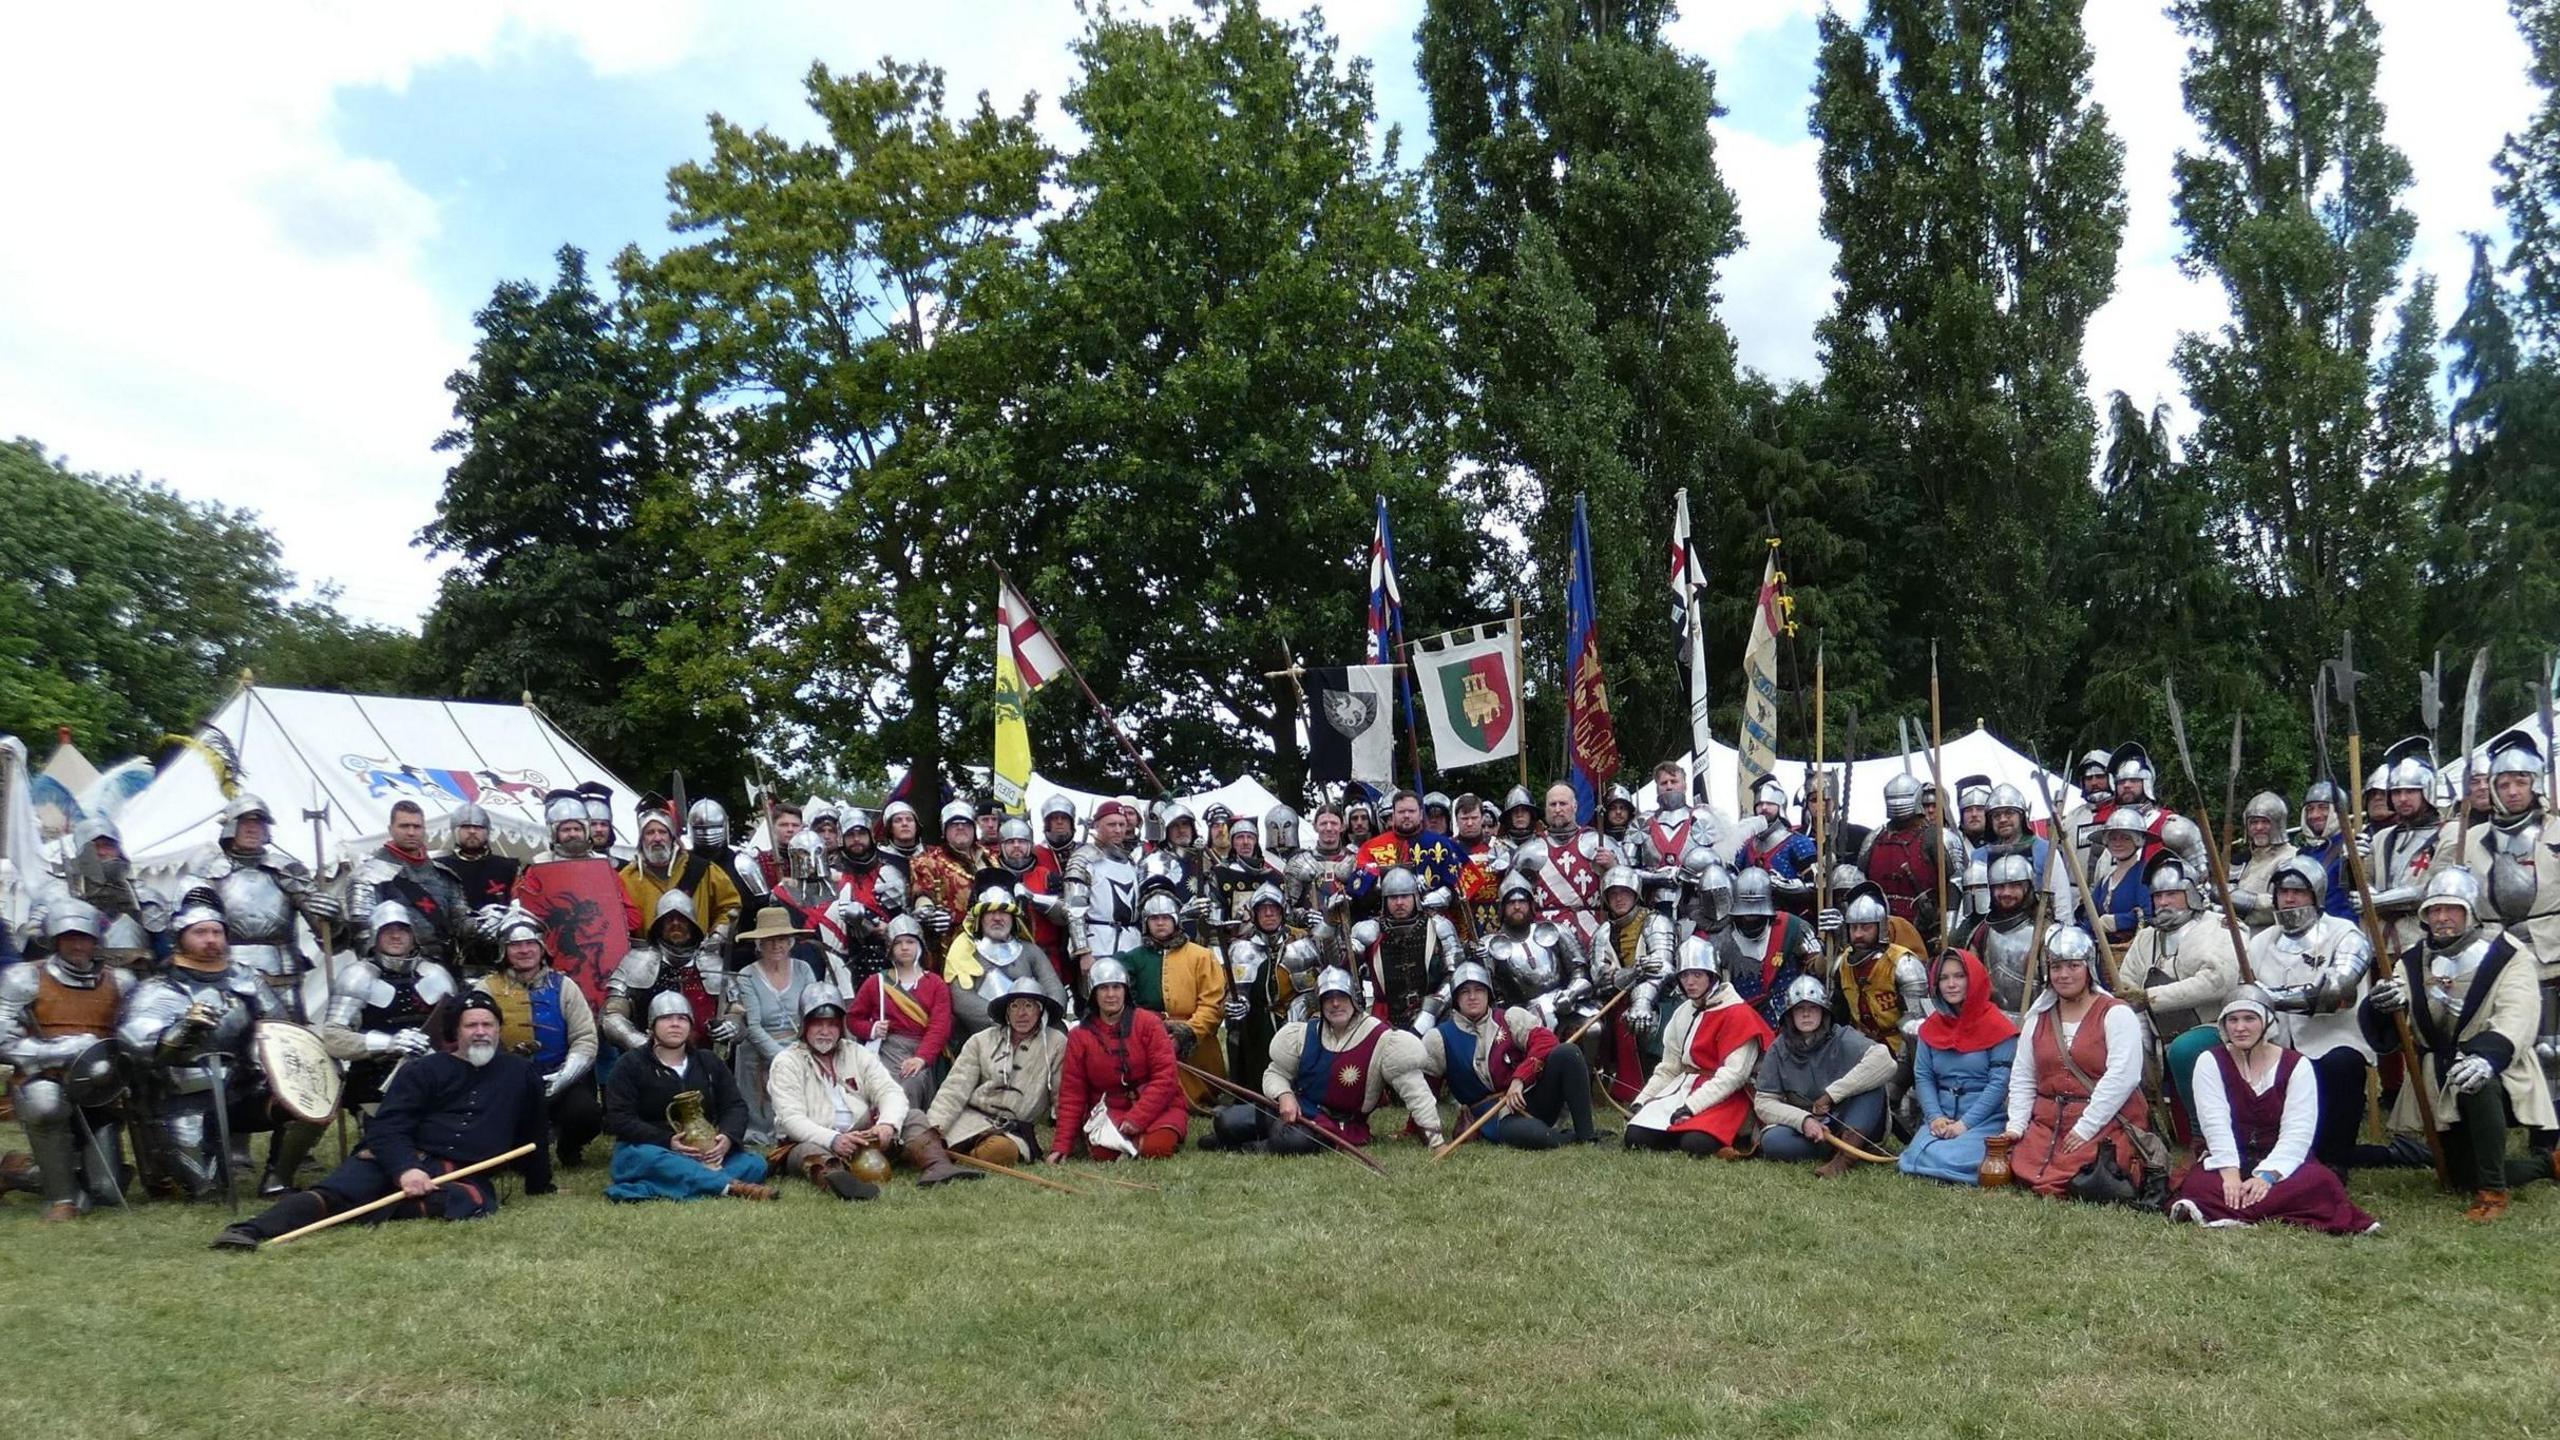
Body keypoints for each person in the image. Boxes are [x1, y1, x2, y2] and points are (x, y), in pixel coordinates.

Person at [212, 991, 555, 1249]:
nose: (481, 1032)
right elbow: (389, 1126)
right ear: (456, 1032)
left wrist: (540, 1185)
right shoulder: (424, 1070)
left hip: (458, 1170)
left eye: (488, 1024)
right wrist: (406, 1169)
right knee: (333, 1195)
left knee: (472, 1201)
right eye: (472, 1025)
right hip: (396, 1156)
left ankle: (370, 1208)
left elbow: (534, 1131)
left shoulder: (520, 1072)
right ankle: (248, 1231)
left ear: (498, 1029)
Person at [2359, 869, 2557, 1222]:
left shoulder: (2507, 954)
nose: (2442, 917)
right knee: (2457, 1178)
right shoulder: (2413, 960)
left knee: (2477, 1082)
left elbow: (2518, 1014)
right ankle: (2547, 1163)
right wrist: (2383, 1003)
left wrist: (2486, 1058)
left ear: (2471, 911)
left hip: (2500, 1070)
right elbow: (2400, 1016)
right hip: (2439, 1078)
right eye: (2434, 910)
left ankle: (2493, 1190)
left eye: (2451, 909)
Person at [117, 890, 310, 1200]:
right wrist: (182, 1030)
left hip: (242, 1090)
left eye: (217, 932)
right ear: (180, 938)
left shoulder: (248, 980)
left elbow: (282, 1032)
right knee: (207, 1191)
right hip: (184, 1100)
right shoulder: (157, 988)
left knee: (307, 1103)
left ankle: (278, 1180)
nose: (211, 940)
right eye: (200, 932)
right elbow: (136, 1043)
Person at [2169, 987, 2379, 1233]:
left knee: (2322, 1182)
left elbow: (2298, 1131)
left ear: (2267, 1023)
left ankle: (2238, 1208)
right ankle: (2261, 1205)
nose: (2240, 1028)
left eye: (2249, 1019)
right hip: (2230, 1158)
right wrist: (2230, 1175)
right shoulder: (2210, 1061)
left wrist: (2267, 1176)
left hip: (2282, 1163)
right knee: (2199, 1187)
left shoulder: (2296, 1065)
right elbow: (2214, 1123)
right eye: (2233, 1020)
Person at [1205, 965, 1444, 1153]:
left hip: (1337, 1125)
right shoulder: (1304, 1033)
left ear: (1354, 999)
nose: (1336, 1004)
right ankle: (1239, 1137)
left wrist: (1436, 1140)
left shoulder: (1382, 1039)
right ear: (1320, 1002)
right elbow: (1275, 1073)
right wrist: (1285, 1096)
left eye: (1341, 996)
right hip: (1295, 1109)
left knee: (1292, 1141)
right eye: (1329, 998)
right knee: (1226, 1120)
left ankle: (1250, 1147)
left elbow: (1416, 1092)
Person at [2459, 726, 2560, 1166]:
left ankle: (2550, 1141)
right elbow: (2451, 892)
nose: (2513, 790)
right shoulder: (2470, 839)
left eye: (2521, 781)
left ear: (2535, 784)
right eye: (2503, 783)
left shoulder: (2556, 831)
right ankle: (2518, 1125)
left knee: (2553, 1047)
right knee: (2510, 1042)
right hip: (2495, 950)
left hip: (2552, 944)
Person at [0, 903, 136, 1220]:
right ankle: (61, 1200)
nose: (77, 945)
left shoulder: (121, 981)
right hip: (44, 1077)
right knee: (45, 1104)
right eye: (68, 937)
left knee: (106, 1192)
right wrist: (61, 1050)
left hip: (100, 1085)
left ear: (95, 940)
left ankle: (15, 1171)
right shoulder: (25, 978)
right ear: (54, 940)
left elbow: (131, 1032)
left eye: (84, 937)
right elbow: (3, 1039)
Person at [1999, 928, 2153, 1200]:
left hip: (2104, 1121)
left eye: (2073, 966)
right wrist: (2016, 1127)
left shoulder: (2115, 1013)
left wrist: (2086, 1128)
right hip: (2048, 1123)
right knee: (2024, 1166)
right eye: (2056, 967)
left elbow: (2123, 1076)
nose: (2064, 974)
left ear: (2089, 968)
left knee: (2085, 1173)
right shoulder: (2038, 1018)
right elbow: (2024, 1077)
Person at [2249, 856, 2375, 1178]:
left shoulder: (2345, 934)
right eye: (2283, 891)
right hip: (2275, 1041)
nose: (2289, 899)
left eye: (2299, 891)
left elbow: (2336, 994)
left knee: (2341, 1066)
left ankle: (2334, 1159)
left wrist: (2269, 997)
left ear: (2315, 894)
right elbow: (2246, 998)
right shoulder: (2261, 941)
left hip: (2332, 1041)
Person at [601, 991, 774, 1202]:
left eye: (682, 1018)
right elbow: (620, 1118)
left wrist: (727, 1138)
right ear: (652, 1025)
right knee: (649, 1160)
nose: (675, 1023)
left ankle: (659, 1187)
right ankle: (730, 1186)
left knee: (756, 1163)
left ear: (690, 1025)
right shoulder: (630, 1065)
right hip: (653, 1149)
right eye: (666, 1018)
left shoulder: (709, 1062)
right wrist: (668, 1141)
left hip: (704, 1152)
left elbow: (735, 1106)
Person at [2114, 853, 2241, 1133]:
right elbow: (2127, 984)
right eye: (2158, 896)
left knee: (2185, 1049)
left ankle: (2203, 1135)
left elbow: (2218, 980)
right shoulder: (2147, 937)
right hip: (2158, 1035)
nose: (2163, 902)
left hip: (2214, 1027)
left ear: (2192, 894)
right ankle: (2138, 1127)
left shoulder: (2219, 927)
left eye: (2172, 894)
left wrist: (2152, 998)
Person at [194, 793, 342, 1020]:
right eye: (245, 822)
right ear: (230, 828)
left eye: (259, 823)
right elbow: (191, 929)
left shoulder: (286, 870)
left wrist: (332, 917)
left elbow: (331, 936)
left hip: (283, 975)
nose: (253, 829)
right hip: (227, 975)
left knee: (290, 1042)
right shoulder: (209, 874)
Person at [1423, 962, 1603, 1148]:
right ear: (1456, 998)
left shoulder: (1510, 1018)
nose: (1472, 997)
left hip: (1529, 1097)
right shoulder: (1440, 1038)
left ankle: (1587, 1135)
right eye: (1465, 991)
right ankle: (1566, 1138)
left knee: (1568, 1053)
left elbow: (1546, 1041)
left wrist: (1520, 1079)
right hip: (1493, 1116)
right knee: (1537, 1136)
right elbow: (1425, 1089)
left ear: (1488, 994)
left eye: (1478, 990)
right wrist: (1416, 1127)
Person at [318, 902, 462, 1130]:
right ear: (375, 936)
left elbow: (457, 1029)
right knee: (386, 1140)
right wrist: (391, 1043)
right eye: (388, 930)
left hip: (434, 1074)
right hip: (375, 1078)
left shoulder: (436, 974)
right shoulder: (357, 977)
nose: (396, 936)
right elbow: (334, 1038)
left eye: (402, 930)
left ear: (413, 936)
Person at [1624, 938, 1771, 1157]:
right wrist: (1642, 1100)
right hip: (1684, 1088)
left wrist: (1691, 1107)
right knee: (1635, 1136)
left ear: (1712, 976)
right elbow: (1669, 1068)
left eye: (1697, 975)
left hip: (1726, 1095)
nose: (1690, 982)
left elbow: (1733, 1076)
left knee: (1694, 1143)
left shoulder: (1739, 1014)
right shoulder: (1683, 1011)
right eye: (1684, 975)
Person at [478, 908, 601, 1168]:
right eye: (515, 945)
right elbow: (475, 1039)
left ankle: (570, 1147)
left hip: (559, 1075)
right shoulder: (486, 989)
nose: (524, 950)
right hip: (507, 1082)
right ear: (504, 950)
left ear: (541, 947)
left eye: (530, 943)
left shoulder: (565, 986)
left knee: (586, 1114)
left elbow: (585, 1038)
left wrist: (561, 1078)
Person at [766, 981, 905, 1201]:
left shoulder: (856, 1052)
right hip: (815, 1139)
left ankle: (937, 1166)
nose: (825, 1032)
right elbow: (791, 1119)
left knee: (914, 1118)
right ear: (805, 1026)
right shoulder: (786, 1062)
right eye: (817, 1024)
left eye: (831, 1024)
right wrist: (834, 1140)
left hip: (862, 1134)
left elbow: (890, 1091)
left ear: (841, 1026)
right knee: (808, 1153)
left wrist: (887, 1124)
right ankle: (841, 1182)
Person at [912, 976, 1067, 1170]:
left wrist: (1062, 1145)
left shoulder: (1055, 1042)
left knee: (999, 1151)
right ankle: (942, 1153)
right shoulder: (981, 1040)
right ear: (1007, 1011)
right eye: (1015, 1006)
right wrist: (934, 1129)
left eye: (1029, 1006)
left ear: (1040, 1010)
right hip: (971, 1120)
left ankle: (953, 1160)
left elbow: (1062, 1097)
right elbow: (955, 1089)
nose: (1022, 1013)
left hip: (1012, 1130)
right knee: (921, 1142)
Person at [1754, 975, 1896, 1177]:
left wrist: (1832, 1095)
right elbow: (1764, 1101)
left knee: (1871, 1087)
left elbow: (1884, 1060)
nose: (1806, 1015)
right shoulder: (1779, 1049)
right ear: (1790, 1015)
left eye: (1812, 1008)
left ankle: (1846, 1157)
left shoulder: (1842, 1037)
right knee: (1773, 1142)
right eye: (1799, 1009)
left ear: (1823, 1011)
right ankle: (1850, 1148)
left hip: (1853, 1117)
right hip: (1815, 1128)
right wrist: (1803, 1120)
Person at [1899, 949, 2020, 1185]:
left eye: (1959, 976)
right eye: (1943, 978)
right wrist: (1935, 1118)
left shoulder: (1999, 1027)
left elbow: (1998, 1085)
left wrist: (1964, 1125)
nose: (1951, 984)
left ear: (1973, 979)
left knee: (1952, 1158)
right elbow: (1923, 1076)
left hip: (1984, 1120)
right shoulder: (1930, 1028)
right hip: (1942, 1118)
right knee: (1914, 1156)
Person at [1050, 959, 1187, 1163]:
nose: (1111, 994)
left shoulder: (1148, 1023)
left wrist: (1137, 1118)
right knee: (1103, 1153)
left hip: (1157, 1105)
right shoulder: (1080, 1036)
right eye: (1103, 988)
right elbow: (1073, 1092)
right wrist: (1062, 1145)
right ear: (1094, 993)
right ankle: (1127, 1145)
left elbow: (1166, 1077)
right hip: (1110, 1108)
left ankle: (1133, 1145)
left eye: (1116, 987)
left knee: (1158, 1145)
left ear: (1125, 991)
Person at [1116, 891, 1227, 1103]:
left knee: (1196, 1094)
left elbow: (1213, 1005)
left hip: (1195, 1038)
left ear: (1176, 920)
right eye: (1154, 919)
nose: (1160, 923)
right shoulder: (1132, 959)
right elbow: (1127, 1005)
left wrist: (1185, 1034)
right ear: (1146, 923)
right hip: (1149, 1033)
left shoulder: (1201, 956)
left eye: (1165, 918)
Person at [600, 894, 738, 1053]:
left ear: (693, 925)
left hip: (703, 1061)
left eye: (682, 920)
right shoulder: (637, 962)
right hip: (648, 1063)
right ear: (659, 926)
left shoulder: (713, 963)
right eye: (669, 920)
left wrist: (732, 1025)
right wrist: (639, 1043)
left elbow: (737, 1010)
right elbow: (612, 1014)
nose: (676, 924)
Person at [849, 915, 954, 1120]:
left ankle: (909, 1131)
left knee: (911, 1083)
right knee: (884, 1084)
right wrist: (871, 1029)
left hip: (923, 1049)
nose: (904, 947)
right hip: (887, 1049)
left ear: (920, 945)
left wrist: (921, 1058)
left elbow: (940, 1026)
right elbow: (853, 1020)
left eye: (910, 942)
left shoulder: (935, 984)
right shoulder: (876, 982)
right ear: (890, 947)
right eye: (898, 943)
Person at [729, 907, 817, 1148]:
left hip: (798, 1043)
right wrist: (781, 1057)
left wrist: (800, 1050)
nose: (776, 945)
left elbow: (812, 1014)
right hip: (758, 1048)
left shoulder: (803, 969)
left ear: (791, 942)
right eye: (769, 940)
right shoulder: (747, 975)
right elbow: (754, 1026)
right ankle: (759, 1132)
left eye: (782, 939)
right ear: (759, 943)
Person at [346, 799, 467, 967]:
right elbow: (363, 935)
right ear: (391, 829)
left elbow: (461, 924)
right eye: (404, 826)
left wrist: (486, 922)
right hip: (393, 970)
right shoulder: (369, 875)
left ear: (424, 830)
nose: (411, 832)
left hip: (444, 967)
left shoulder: (444, 875)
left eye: (417, 827)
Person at [1478, 872, 1597, 1033]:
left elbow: (1580, 970)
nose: (1517, 907)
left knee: (1593, 1029)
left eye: (1522, 901)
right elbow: (1486, 989)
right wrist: (1479, 960)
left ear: (1531, 905)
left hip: (1563, 1003)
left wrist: (1571, 993)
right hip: (1520, 1014)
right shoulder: (1489, 945)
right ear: (1502, 908)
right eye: (1511, 903)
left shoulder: (1556, 931)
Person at [944, 881, 1066, 1037]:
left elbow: (1054, 988)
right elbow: (962, 1001)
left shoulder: (1031, 951)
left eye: (1003, 912)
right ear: (980, 919)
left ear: (1013, 918)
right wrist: (1006, 1020)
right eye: (990, 913)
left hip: (1035, 1033)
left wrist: (1040, 1018)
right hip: (985, 1038)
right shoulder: (963, 953)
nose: (997, 918)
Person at [1507, 782, 1617, 952]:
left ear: (1575, 806)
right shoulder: (1528, 851)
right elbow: (1511, 897)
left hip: (1594, 934)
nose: (1557, 809)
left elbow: (1628, 888)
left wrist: (1613, 867)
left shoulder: (1599, 842)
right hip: (1545, 938)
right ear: (1546, 809)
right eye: (1552, 804)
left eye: (1563, 803)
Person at [619, 807, 741, 959]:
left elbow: (730, 906)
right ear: (642, 839)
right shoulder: (626, 878)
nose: (657, 838)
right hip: (646, 963)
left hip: (697, 959)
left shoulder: (703, 870)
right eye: (650, 833)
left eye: (662, 832)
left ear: (672, 837)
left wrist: (717, 936)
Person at [1349, 866, 1462, 1032]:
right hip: (1384, 1020)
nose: (1399, 902)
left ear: (1415, 897)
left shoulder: (1439, 926)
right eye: (1393, 897)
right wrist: (1329, 925)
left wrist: (1430, 1012)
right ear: (1385, 901)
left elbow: (1456, 975)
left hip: (1437, 1018)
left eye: (1404, 896)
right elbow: (1343, 969)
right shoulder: (1370, 931)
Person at [1859, 774, 1965, 942]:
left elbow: (1956, 885)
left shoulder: (1938, 837)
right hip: (1879, 933)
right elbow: (1859, 884)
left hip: (1925, 933)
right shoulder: (1875, 838)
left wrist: (1948, 932)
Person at [2362, 736, 2440, 954]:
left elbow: (2432, 891)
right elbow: (2363, 884)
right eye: (2396, 792)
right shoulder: (2382, 838)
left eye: (2410, 791)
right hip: (2380, 943)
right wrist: (2350, 863)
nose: (2402, 798)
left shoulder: (2448, 834)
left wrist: (2374, 901)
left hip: (2422, 941)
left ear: (2426, 791)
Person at [1719, 868, 1821, 1029]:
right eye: (1746, 910)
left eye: (1755, 910)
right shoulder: (1724, 940)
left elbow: (1819, 970)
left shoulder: (1794, 928)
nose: (1751, 916)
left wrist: (1832, 943)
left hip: (1793, 1025)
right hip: (1745, 1026)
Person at [1063, 800, 1145, 996]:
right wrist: (1083, 952)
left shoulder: (1130, 862)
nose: (1117, 829)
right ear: (1097, 825)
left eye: (1121, 824)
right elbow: (1074, 908)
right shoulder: (1083, 858)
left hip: (1131, 944)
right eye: (1111, 824)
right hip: (1097, 943)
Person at [439, 801, 520, 977]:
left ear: (487, 831)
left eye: (478, 827)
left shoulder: (509, 867)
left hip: (499, 953)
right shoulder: (439, 868)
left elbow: (518, 909)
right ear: (455, 830)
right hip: (453, 956)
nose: (472, 831)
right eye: (466, 826)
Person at [992, 817, 1071, 994]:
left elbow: (1066, 916)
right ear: (1001, 846)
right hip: (1003, 956)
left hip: (1046, 955)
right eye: (1011, 842)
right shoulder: (991, 876)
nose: (1017, 846)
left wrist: (1034, 898)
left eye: (1022, 841)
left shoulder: (1048, 877)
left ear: (1030, 844)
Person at [1349, 791, 1466, 907]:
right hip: (1383, 919)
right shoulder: (1371, 847)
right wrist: (1374, 884)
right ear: (1393, 815)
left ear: (1421, 814)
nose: (1406, 815)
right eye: (1401, 812)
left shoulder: (1443, 843)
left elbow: (1467, 883)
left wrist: (1444, 895)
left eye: (1411, 811)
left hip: (1435, 917)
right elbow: (1357, 888)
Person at [909, 801, 986, 965]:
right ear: (944, 831)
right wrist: (927, 911)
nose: (960, 827)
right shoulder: (928, 861)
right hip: (951, 945)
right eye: (954, 824)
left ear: (974, 828)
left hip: (991, 941)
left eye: (965, 823)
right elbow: (922, 893)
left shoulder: (991, 859)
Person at [2227, 792, 2297, 935]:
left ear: (2278, 824)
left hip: (2272, 937)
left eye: (2265, 822)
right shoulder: (2244, 859)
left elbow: (2286, 904)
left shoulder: (2292, 858)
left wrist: (2238, 898)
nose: (2258, 827)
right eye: (2253, 822)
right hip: (2238, 934)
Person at [2086, 810, 2156, 948]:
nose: (2118, 843)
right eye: (2113, 838)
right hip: (2104, 952)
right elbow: (2088, 915)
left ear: (2137, 841)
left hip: (2135, 950)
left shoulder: (2144, 873)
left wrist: (2116, 921)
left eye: (2125, 838)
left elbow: (2149, 916)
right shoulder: (2105, 881)